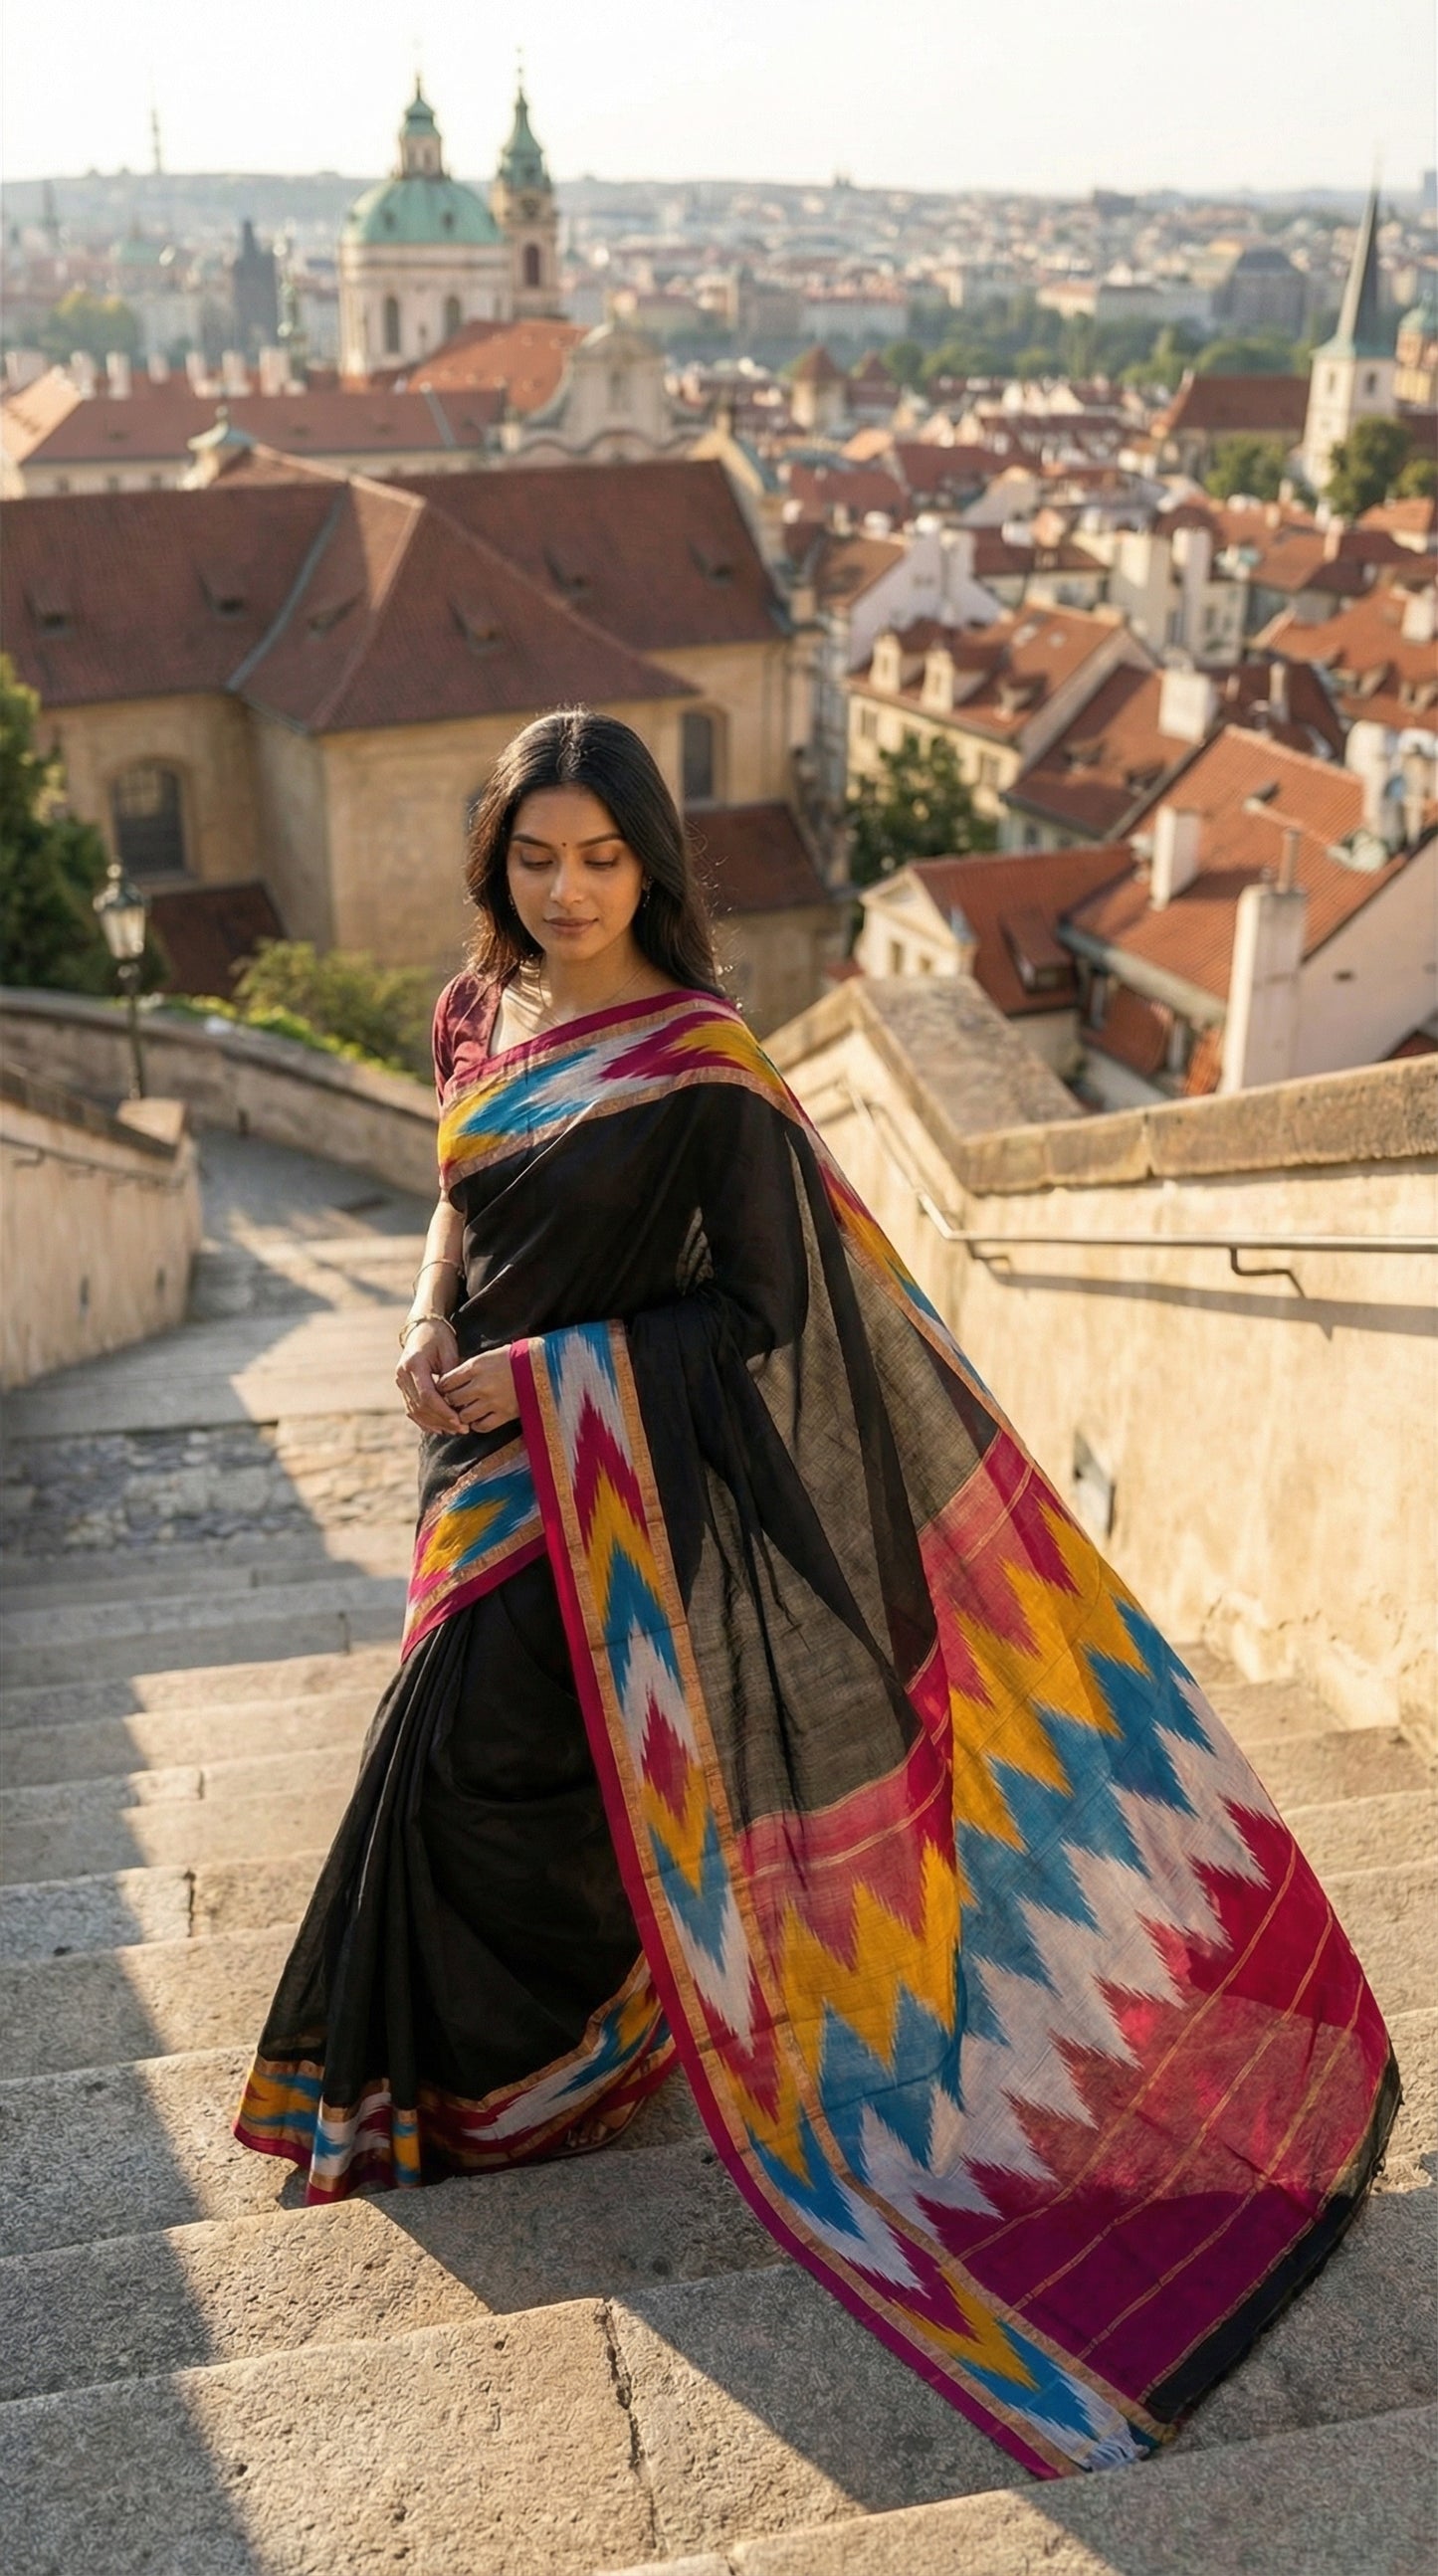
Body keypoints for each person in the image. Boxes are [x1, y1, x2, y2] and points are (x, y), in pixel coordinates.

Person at [237, 707, 1398, 2479]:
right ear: (495, 861)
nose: (564, 890)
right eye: (533, 858)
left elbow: (764, 1318)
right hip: (469, 1452)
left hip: (607, 1473)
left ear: (650, 864)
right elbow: (456, 1193)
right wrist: (425, 1321)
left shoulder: (700, 1064)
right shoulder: (480, 1008)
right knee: (482, 1764)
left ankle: (523, 2067)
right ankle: (518, 2063)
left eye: (599, 858)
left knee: (490, 1768)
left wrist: (548, 1376)